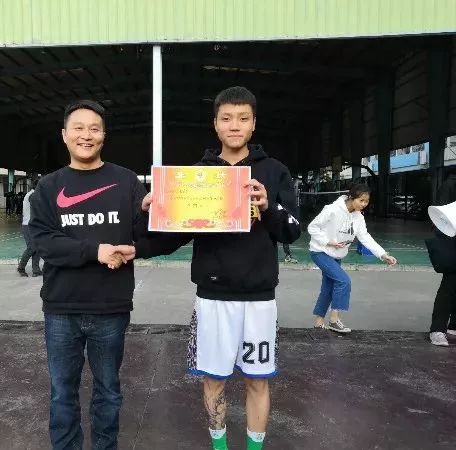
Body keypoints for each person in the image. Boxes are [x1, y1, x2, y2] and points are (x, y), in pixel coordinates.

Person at [135, 86, 301, 450]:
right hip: (212, 296)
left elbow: (292, 230)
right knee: (214, 379)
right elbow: (174, 236)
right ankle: (220, 447)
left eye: (243, 118)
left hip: (259, 298)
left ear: (254, 123)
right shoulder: (198, 175)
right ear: (215, 124)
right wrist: (149, 219)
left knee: (258, 380)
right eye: (226, 118)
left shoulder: (274, 172)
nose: (234, 126)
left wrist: (268, 207)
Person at [28, 100, 145, 450]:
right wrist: (96, 251)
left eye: (94, 128)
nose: (86, 135)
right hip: (61, 308)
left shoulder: (126, 181)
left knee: (108, 391)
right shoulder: (49, 186)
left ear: (103, 135)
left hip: (110, 306)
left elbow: (147, 234)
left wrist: (157, 215)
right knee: (62, 393)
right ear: (64, 135)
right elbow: (43, 242)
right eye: (78, 128)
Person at [307, 183, 397, 333]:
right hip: (320, 252)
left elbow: (365, 237)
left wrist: (383, 254)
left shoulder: (358, 217)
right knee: (343, 281)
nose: (364, 204)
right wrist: (328, 241)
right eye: (361, 200)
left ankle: (318, 322)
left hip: (337, 255)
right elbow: (312, 227)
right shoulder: (332, 209)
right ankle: (334, 320)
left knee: (328, 288)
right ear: (351, 197)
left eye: (366, 201)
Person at [428, 171, 456, 346]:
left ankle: (453, 325)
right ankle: (437, 330)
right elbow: (441, 216)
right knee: (449, 285)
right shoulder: (451, 184)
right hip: (452, 240)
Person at [17, 181, 41, 277]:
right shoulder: (32, 195)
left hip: (33, 225)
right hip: (28, 225)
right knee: (31, 247)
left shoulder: (32, 194)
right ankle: (21, 267)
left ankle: (36, 270)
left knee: (37, 247)